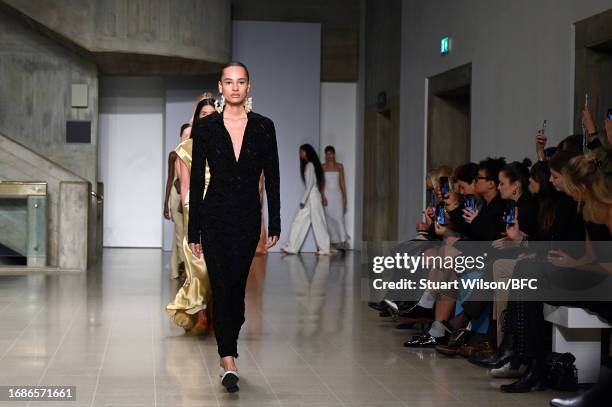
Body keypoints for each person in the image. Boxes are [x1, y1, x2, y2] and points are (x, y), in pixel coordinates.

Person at [188, 62, 280, 393]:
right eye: (229, 82)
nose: (235, 87)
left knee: (237, 288)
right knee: (221, 283)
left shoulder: (264, 127)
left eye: (241, 81)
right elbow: (198, 178)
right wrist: (192, 229)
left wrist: (276, 220)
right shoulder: (207, 127)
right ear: (221, 87)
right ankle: (228, 357)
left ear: (249, 86)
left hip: (246, 218)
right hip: (213, 216)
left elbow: (273, 175)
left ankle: (228, 345)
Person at [166, 94, 217, 335]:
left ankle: (212, 312)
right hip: (196, 210)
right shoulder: (185, 149)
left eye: (211, 115)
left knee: (218, 267)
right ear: (196, 119)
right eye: (203, 115)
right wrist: (192, 220)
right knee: (199, 265)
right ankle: (201, 312)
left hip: (220, 211)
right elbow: (185, 188)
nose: (207, 119)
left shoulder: (224, 145)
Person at [282, 144, 331, 255]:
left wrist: (303, 200)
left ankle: (325, 249)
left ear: (306, 152)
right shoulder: (311, 165)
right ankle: (293, 247)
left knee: (317, 222)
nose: (299, 154)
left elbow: (310, 184)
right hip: (312, 197)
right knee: (300, 221)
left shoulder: (309, 165)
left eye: (301, 151)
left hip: (312, 197)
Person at [164, 124, 189, 280]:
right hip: (175, 195)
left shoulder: (193, 153)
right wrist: (165, 203)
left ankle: (175, 271)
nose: (187, 137)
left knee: (179, 234)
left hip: (187, 195)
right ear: (180, 136)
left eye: (190, 135)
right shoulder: (174, 154)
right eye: (185, 135)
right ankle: (184, 266)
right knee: (181, 232)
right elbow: (170, 179)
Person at [322, 145, 349, 250]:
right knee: (328, 219)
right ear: (325, 155)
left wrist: (345, 197)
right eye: (327, 154)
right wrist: (322, 196)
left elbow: (342, 182)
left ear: (334, 154)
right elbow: (322, 183)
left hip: (337, 195)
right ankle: (332, 241)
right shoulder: (322, 167)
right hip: (327, 195)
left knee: (339, 218)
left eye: (331, 153)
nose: (329, 156)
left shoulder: (339, 166)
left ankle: (343, 241)